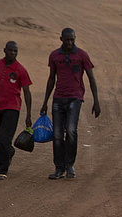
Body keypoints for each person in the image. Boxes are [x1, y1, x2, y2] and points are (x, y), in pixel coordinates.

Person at [40, 28, 101, 180]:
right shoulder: (54, 55)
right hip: (58, 98)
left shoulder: (82, 55)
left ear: (75, 39)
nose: (69, 42)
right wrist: (45, 101)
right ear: (61, 39)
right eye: (67, 40)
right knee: (58, 134)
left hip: (75, 98)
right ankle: (59, 168)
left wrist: (96, 101)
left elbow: (91, 78)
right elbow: (51, 78)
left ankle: (70, 166)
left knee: (72, 131)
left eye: (72, 40)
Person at [0, 41, 33, 180]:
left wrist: (28, 114)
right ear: (5, 50)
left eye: (15, 51)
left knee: (4, 138)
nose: (13, 53)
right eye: (11, 51)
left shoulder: (21, 70)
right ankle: (9, 151)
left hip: (12, 108)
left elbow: (27, 92)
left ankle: (1, 171)